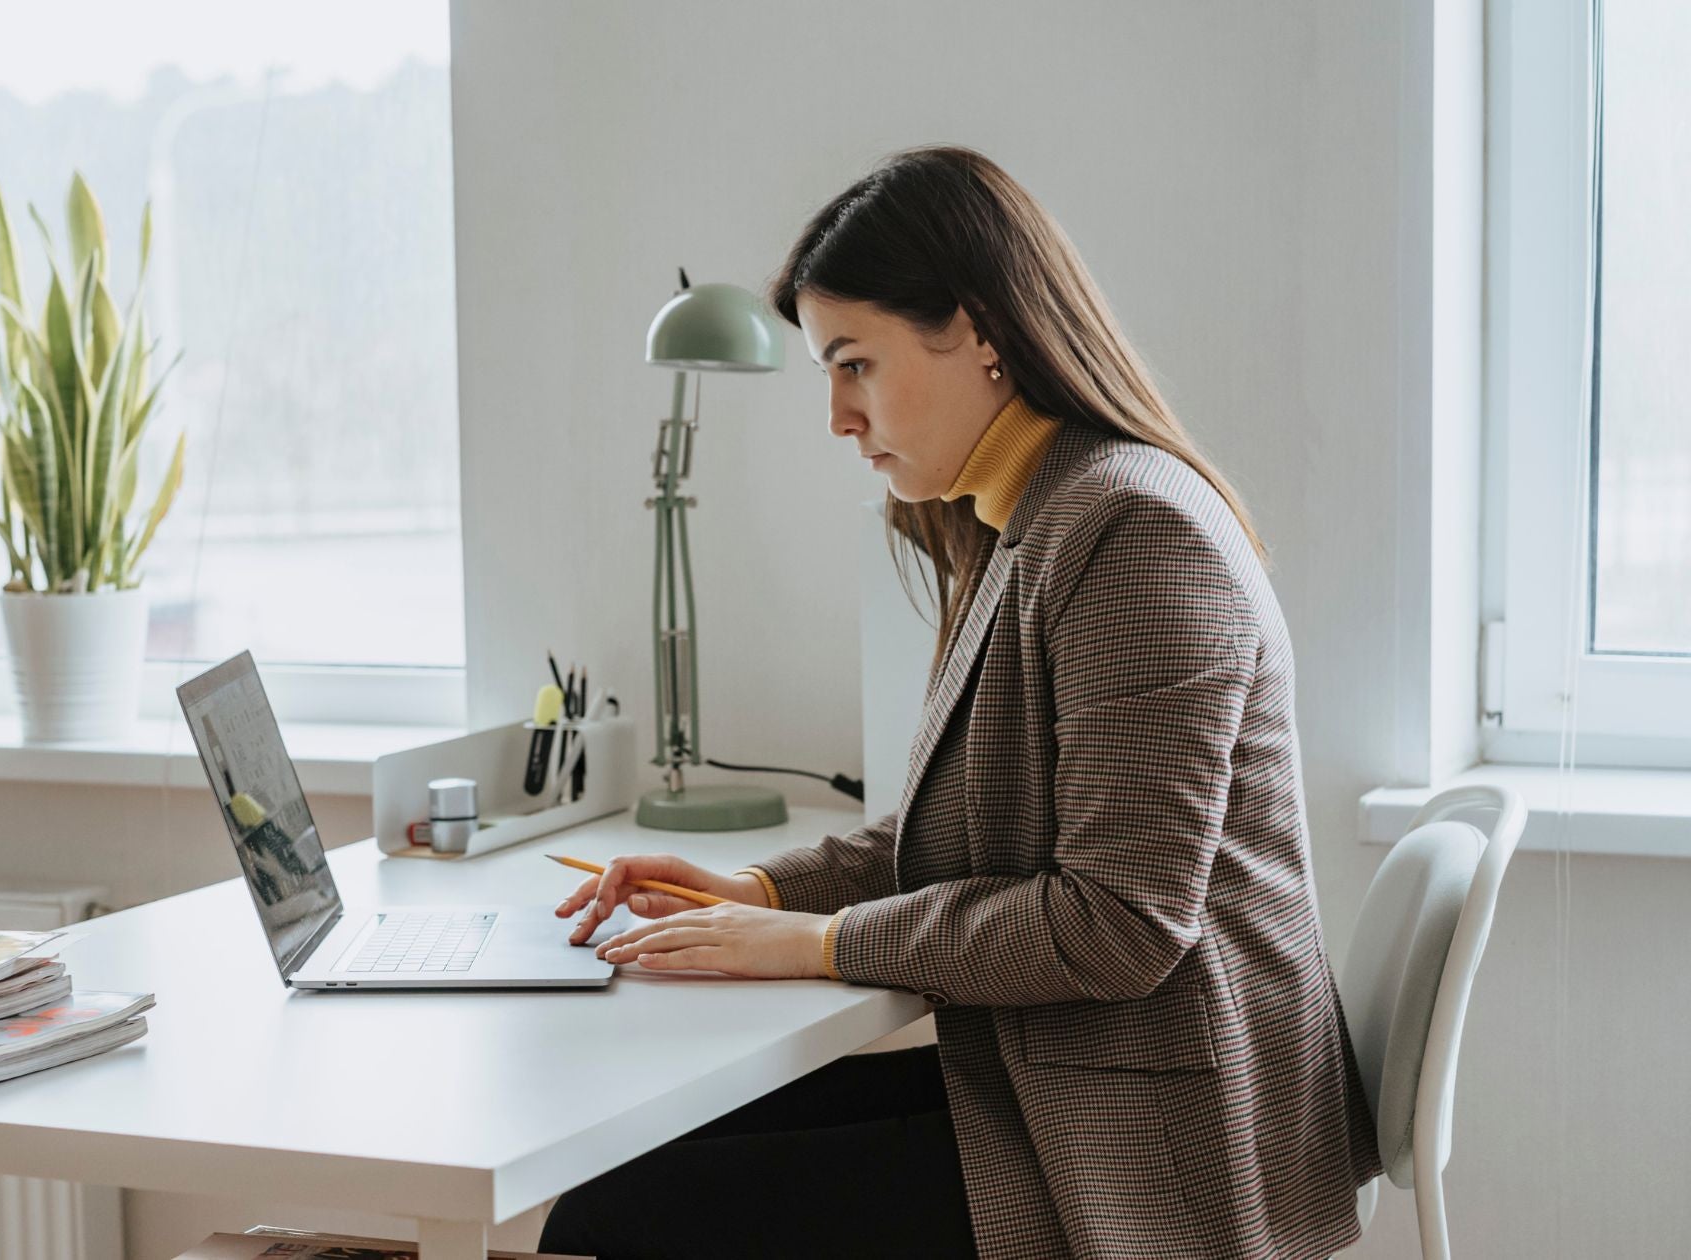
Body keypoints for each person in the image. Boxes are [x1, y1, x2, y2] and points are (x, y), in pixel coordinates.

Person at [536, 146, 1382, 1260]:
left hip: (1163, 1144)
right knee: (633, 1167)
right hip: (1065, 1080)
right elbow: (957, 838)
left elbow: (1117, 926)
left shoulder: (1132, 534)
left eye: (854, 365)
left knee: (621, 1216)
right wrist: (755, 888)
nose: (838, 417)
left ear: (978, 330)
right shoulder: (1020, 520)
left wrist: (813, 942)